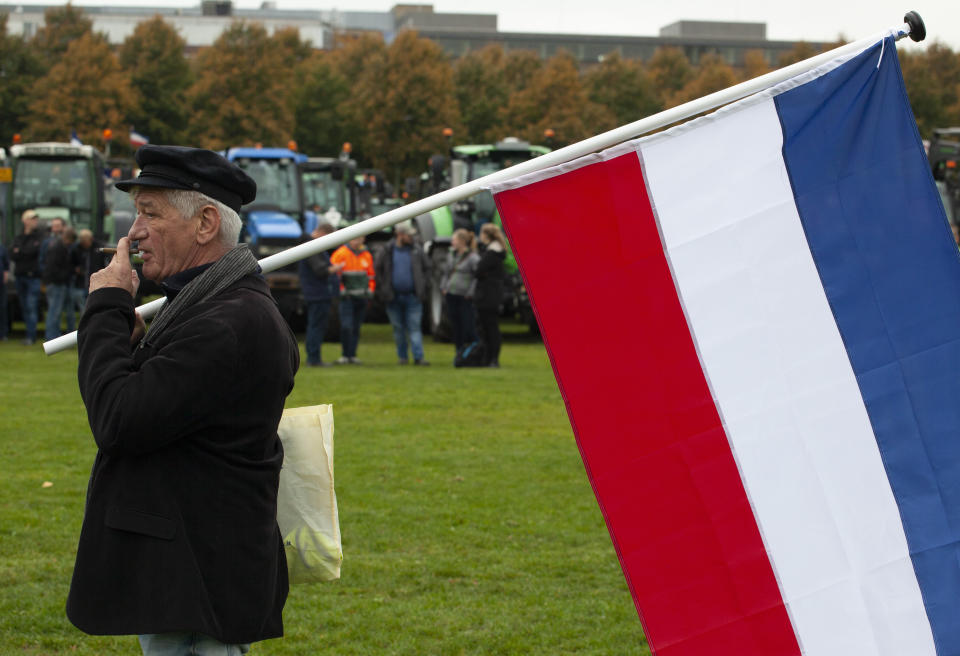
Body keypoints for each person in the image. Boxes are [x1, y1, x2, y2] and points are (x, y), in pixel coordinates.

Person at [68, 145, 297, 656]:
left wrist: (106, 309)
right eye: (136, 213)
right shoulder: (214, 308)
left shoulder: (228, 321)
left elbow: (119, 419)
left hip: (197, 579)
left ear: (206, 223)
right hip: (190, 572)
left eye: (151, 213)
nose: (134, 232)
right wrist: (130, 342)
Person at [375, 222, 431, 365]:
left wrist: (423, 286)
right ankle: (403, 357)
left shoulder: (417, 250)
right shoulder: (387, 250)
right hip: (393, 297)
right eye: (409, 235)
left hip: (413, 296)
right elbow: (378, 271)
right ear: (400, 235)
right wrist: (384, 290)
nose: (412, 237)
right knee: (398, 329)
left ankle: (418, 357)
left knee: (414, 327)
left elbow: (427, 269)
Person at [298, 221, 343, 367]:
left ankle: (314, 357)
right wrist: (335, 268)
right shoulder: (313, 247)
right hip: (317, 293)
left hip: (316, 293)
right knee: (316, 326)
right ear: (324, 233)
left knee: (316, 325)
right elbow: (320, 270)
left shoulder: (309, 246)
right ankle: (313, 359)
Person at [331, 235, 374, 365]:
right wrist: (342, 291)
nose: (357, 241)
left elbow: (371, 276)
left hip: (361, 298)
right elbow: (334, 276)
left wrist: (370, 291)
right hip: (347, 298)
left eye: (360, 239)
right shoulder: (340, 254)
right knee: (346, 326)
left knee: (356, 327)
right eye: (355, 238)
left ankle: (352, 355)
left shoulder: (366, 255)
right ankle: (345, 354)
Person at [441, 228, 480, 355]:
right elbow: (446, 273)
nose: (452, 242)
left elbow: (477, 277)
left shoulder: (473, 257)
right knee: (456, 325)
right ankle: (459, 351)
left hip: (464, 296)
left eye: (454, 240)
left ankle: (472, 350)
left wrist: (470, 292)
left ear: (462, 241)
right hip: (451, 294)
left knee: (467, 324)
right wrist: (444, 287)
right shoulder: (451, 254)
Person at [475, 223, 507, 367]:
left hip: (488, 295)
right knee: (490, 327)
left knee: (490, 327)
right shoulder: (496, 252)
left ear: (486, 235)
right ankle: (490, 358)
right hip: (492, 294)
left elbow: (478, 270)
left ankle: (492, 359)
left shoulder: (491, 253)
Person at [10, 209, 44, 345]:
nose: (35, 221)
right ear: (25, 221)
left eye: (35, 219)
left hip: (32, 277)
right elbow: (12, 254)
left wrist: (20, 251)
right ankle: (29, 335)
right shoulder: (18, 237)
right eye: (32, 219)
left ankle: (31, 336)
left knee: (31, 306)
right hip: (20, 276)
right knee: (24, 306)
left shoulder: (38, 237)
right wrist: (22, 251)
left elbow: (31, 251)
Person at [42, 223, 75, 340]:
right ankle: (52, 337)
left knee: (54, 311)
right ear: (68, 238)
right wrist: (66, 275)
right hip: (56, 283)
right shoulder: (58, 248)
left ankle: (53, 336)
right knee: (54, 312)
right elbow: (53, 268)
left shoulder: (56, 246)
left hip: (54, 282)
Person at [0, 239, 9, 340]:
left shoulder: (2, 248)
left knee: (2, 308)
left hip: (1, 284)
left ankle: (3, 333)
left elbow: (6, 265)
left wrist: (5, 276)